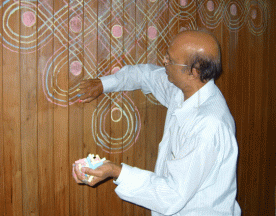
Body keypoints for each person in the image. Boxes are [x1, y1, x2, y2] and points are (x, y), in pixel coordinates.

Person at [72, 30, 241, 215]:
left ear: (194, 71)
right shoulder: (184, 90)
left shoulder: (209, 126)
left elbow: (171, 195)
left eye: (170, 59)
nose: (164, 61)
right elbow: (146, 75)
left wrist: (116, 171)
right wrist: (104, 84)